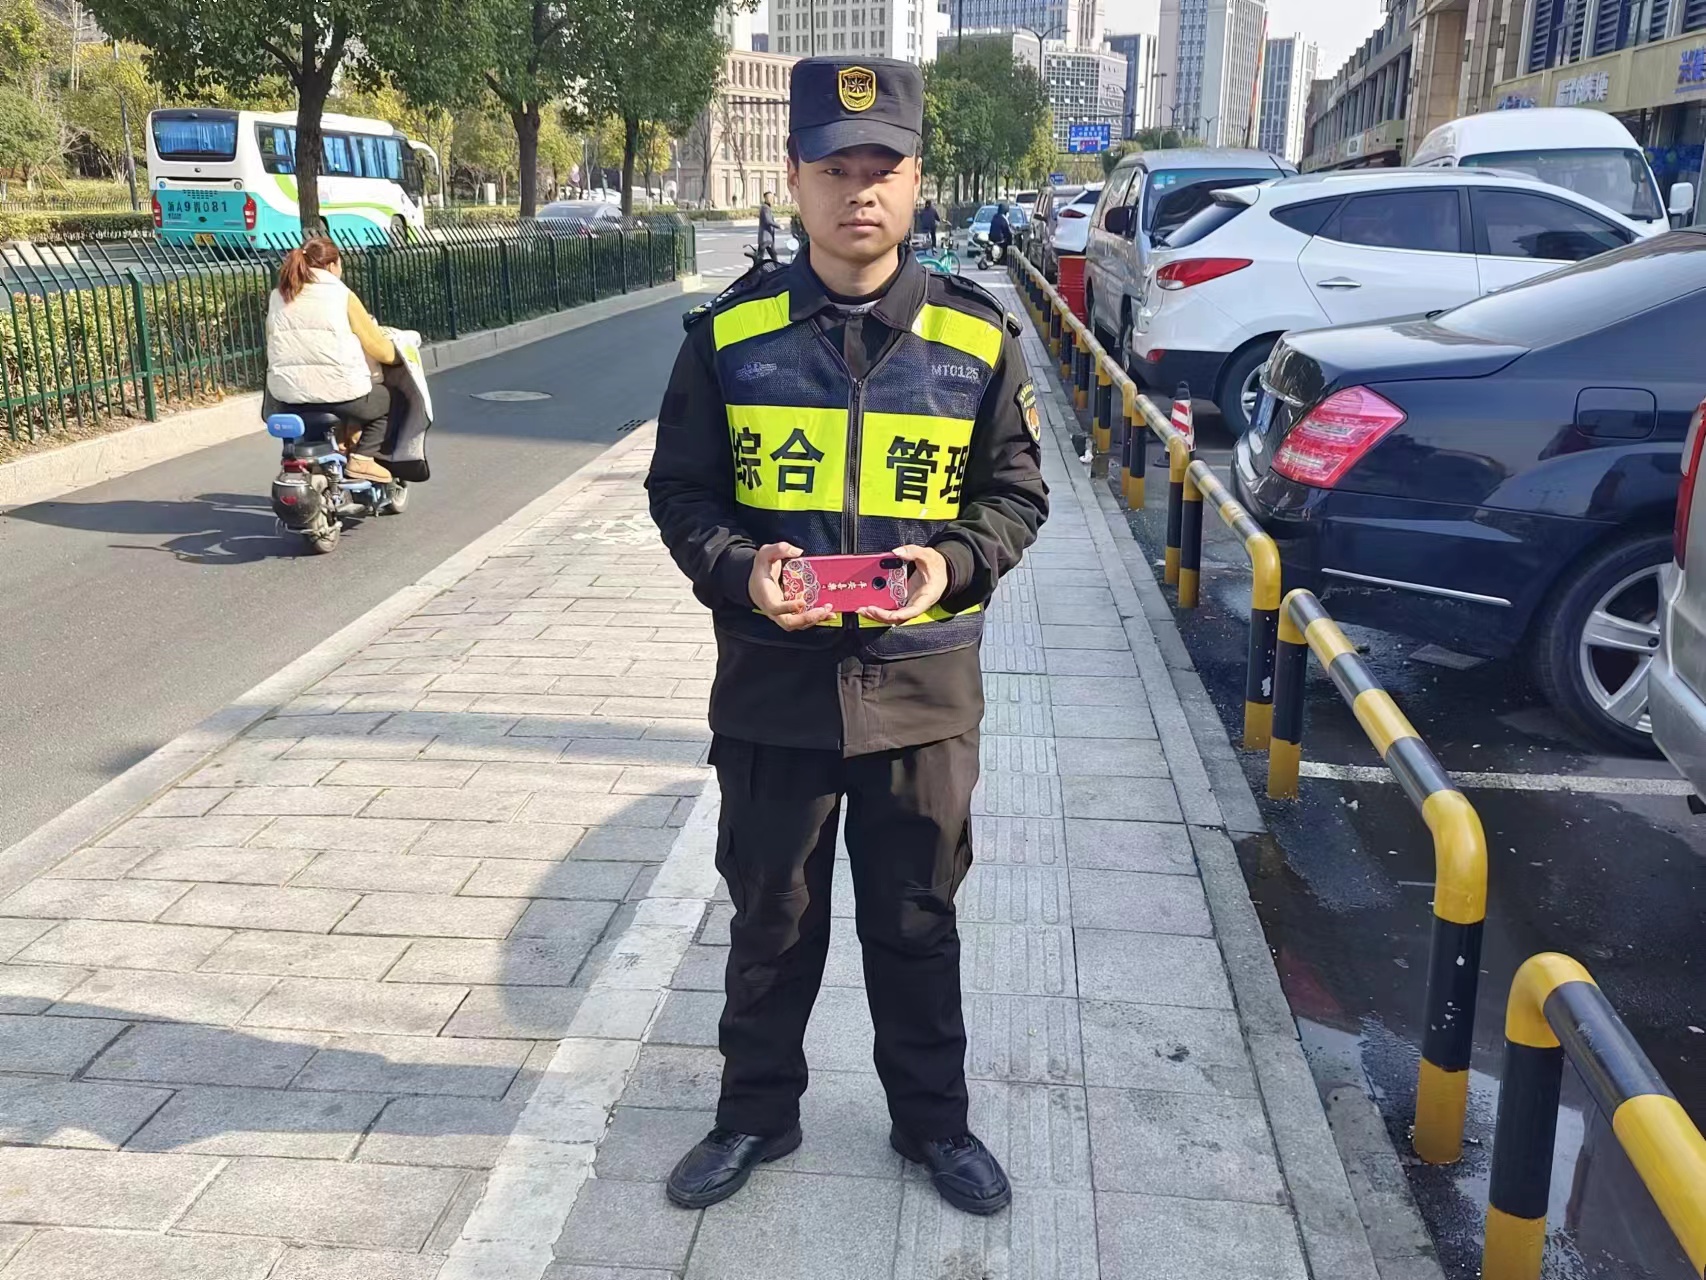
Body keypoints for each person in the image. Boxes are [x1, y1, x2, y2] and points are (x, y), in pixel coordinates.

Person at [647, 57, 1049, 1218]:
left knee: (916, 920)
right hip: (773, 687)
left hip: (922, 693)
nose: (857, 189)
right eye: (834, 167)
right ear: (794, 177)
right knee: (771, 918)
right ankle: (753, 1113)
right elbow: (681, 492)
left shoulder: (977, 338)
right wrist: (745, 570)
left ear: (917, 180)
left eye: (882, 167)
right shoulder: (729, 337)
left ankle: (932, 1123)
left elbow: (1014, 494)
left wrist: (947, 564)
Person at [265, 235, 399, 483]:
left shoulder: (278, 295)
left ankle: (322, 455)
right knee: (389, 399)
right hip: (339, 394)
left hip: (287, 396)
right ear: (331, 265)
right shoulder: (341, 295)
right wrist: (397, 355)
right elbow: (377, 347)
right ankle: (363, 459)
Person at [987, 200, 1013, 265]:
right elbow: (1007, 231)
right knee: (1008, 242)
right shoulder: (1003, 219)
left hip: (992, 238)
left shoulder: (995, 217)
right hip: (1000, 239)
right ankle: (1004, 259)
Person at [758, 191, 780, 263]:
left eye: (772, 197)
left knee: (760, 256)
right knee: (772, 255)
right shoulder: (765, 208)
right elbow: (768, 221)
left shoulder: (766, 207)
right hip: (766, 237)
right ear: (765, 198)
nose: (771, 199)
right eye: (769, 197)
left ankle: (756, 268)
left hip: (766, 237)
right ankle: (777, 267)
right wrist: (778, 226)